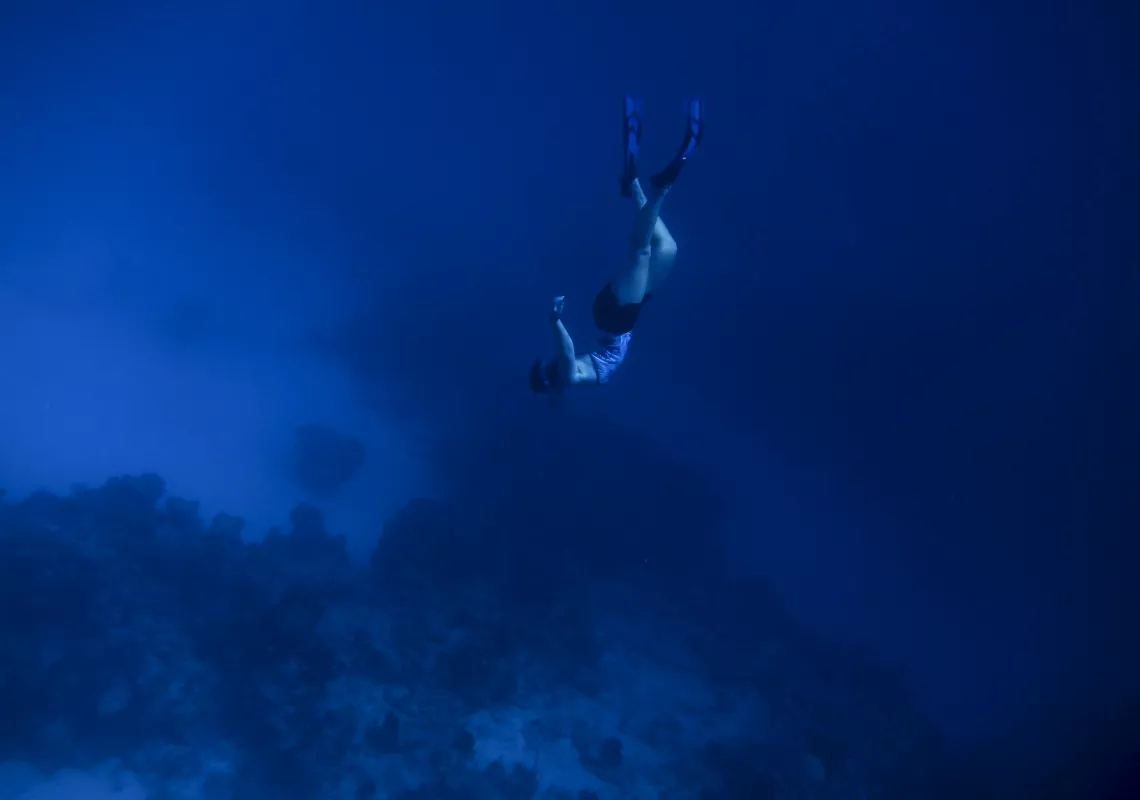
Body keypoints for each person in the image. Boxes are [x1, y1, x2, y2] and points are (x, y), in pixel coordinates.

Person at [530, 95, 704, 394]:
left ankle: (660, 188)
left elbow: (567, 354)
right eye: (546, 369)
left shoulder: (570, 373)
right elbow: (573, 358)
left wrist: (555, 321)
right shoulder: (570, 377)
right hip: (625, 320)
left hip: (615, 315)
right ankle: (633, 186)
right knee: (667, 248)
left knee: (642, 252)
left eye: (547, 365)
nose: (551, 365)